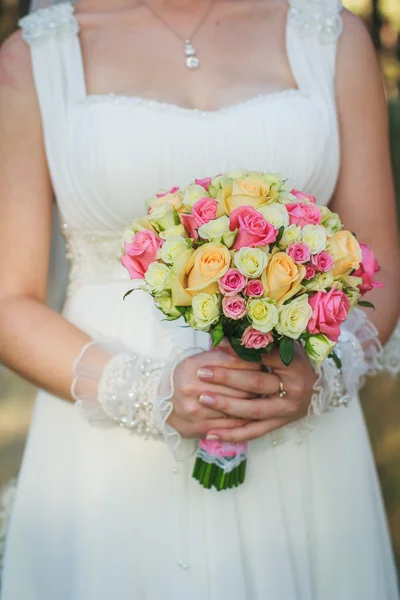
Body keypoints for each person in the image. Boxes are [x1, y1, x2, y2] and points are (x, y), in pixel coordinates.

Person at [0, 0, 399, 598]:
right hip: (110, 445)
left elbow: (380, 264)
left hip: (299, 435)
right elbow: (10, 300)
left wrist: (322, 369)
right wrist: (149, 392)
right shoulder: (37, 55)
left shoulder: (327, 36)